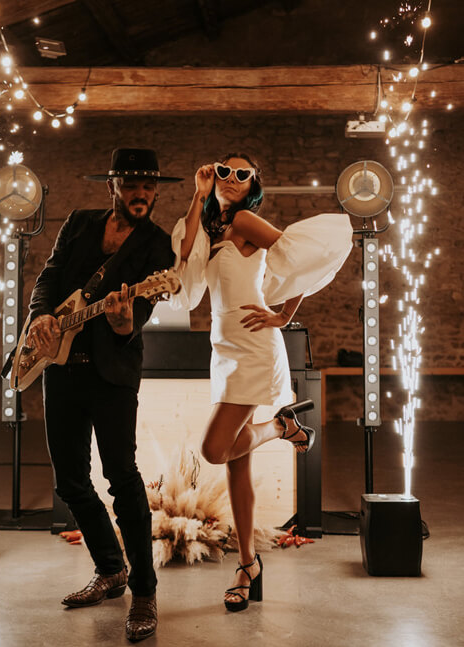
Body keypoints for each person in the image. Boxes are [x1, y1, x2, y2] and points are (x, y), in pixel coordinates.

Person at [171, 153, 352, 612]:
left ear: (253, 184)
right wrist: (197, 194)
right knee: (237, 464)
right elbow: (182, 259)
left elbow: (299, 260)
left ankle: (280, 426)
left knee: (215, 449)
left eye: (242, 174)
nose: (231, 178)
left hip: (253, 347)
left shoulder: (245, 220)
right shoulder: (211, 229)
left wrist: (284, 315)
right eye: (223, 171)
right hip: (223, 349)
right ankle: (248, 565)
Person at [26, 148, 180, 642]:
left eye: (149, 186)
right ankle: (110, 569)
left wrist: (123, 320)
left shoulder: (157, 246)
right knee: (70, 481)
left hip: (112, 376)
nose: (141, 194)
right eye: (132, 185)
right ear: (113, 185)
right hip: (60, 368)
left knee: (121, 478)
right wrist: (41, 315)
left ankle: (145, 592)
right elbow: (50, 275)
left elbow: (140, 318)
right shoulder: (79, 223)